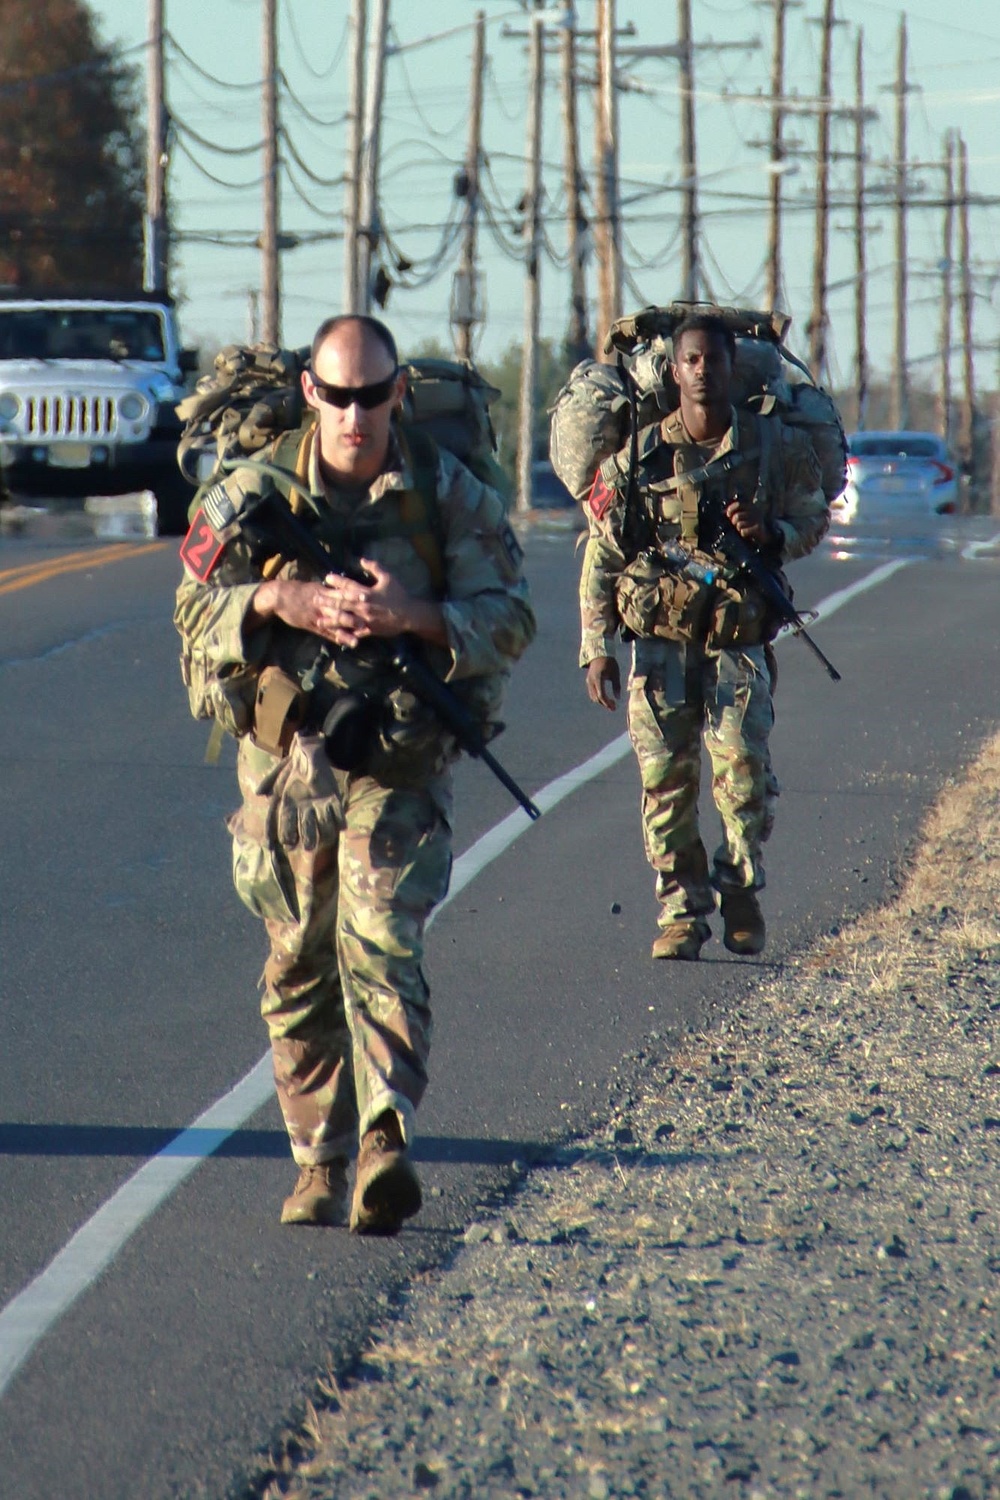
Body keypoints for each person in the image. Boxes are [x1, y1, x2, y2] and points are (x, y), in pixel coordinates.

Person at [174, 314, 535, 1232]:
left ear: (397, 395)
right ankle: (317, 1163)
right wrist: (277, 598)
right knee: (298, 964)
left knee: (381, 941)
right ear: (310, 394)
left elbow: (512, 615)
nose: (354, 414)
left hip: (397, 760)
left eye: (372, 396)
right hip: (289, 766)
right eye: (336, 395)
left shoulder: (442, 493)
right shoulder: (252, 490)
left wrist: (412, 617)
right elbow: (189, 615)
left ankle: (384, 1139)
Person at [578, 311, 830, 961]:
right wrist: (596, 647)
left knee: (744, 777)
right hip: (659, 645)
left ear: (730, 368)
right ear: (674, 369)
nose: (702, 371)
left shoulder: (771, 446)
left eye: (713, 361)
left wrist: (770, 534)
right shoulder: (638, 455)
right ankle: (681, 912)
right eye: (690, 360)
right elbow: (603, 555)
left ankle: (739, 887)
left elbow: (812, 513)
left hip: (738, 645)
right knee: (665, 785)